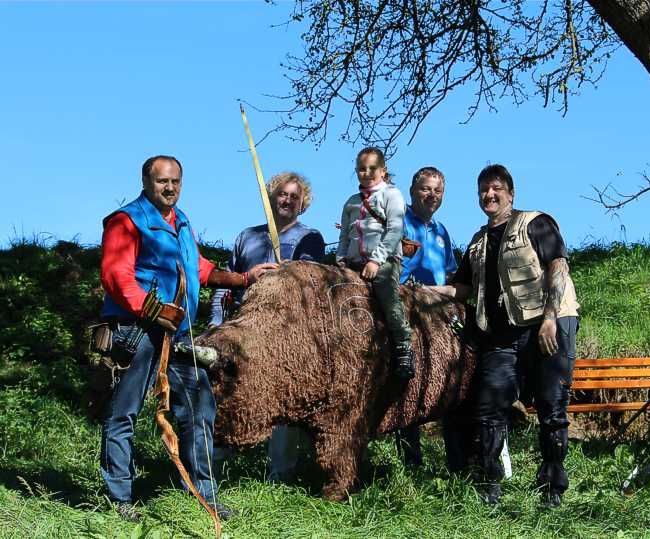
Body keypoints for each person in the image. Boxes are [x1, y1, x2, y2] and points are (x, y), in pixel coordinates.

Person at [99, 155, 271, 522]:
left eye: (176, 181)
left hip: (177, 333)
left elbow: (199, 267)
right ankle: (120, 499)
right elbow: (116, 276)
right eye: (163, 181)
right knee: (123, 412)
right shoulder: (127, 221)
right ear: (146, 182)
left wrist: (243, 278)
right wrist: (152, 309)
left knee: (199, 409)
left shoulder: (181, 222)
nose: (170, 187)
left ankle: (202, 494)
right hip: (137, 331)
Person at [432, 164, 579, 507]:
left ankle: (552, 488)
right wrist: (420, 291)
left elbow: (557, 266)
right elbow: (462, 288)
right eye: (483, 189)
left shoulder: (535, 223)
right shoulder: (477, 242)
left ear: (510, 194)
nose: (489, 194)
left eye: (496, 188)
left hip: (548, 324)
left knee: (551, 406)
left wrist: (550, 318)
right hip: (501, 336)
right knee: (488, 407)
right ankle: (490, 485)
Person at [209, 171, 325, 483]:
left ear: (303, 204)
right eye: (281, 194)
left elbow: (310, 285)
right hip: (241, 330)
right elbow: (227, 280)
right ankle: (215, 467)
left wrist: (282, 275)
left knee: (282, 399)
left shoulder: (310, 238)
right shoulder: (247, 236)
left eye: (294, 196)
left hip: (285, 335)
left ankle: (280, 475)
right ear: (270, 198)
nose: (287, 200)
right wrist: (216, 323)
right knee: (229, 394)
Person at [394, 166, 457, 467]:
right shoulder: (398, 222)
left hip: (437, 316)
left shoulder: (442, 232)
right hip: (404, 312)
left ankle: (454, 461)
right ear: (412, 190)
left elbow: (451, 272)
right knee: (407, 384)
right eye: (425, 188)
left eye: (438, 190)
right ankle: (410, 461)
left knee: (441, 383)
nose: (431, 195)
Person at [336, 147, 415, 379]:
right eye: (361, 169)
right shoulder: (351, 202)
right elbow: (344, 235)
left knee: (389, 299)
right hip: (352, 261)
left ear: (383, 170)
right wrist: (340, 258)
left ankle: (403, 345)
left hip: (384, 260)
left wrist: (376, 260)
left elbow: (394, 230)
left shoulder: (391, 195)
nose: (367, 173)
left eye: (372, 168)